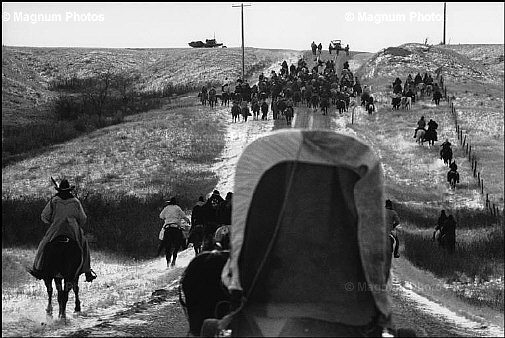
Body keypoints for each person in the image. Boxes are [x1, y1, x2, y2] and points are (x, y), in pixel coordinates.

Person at [29, 178, 96, 282]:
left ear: (59, 190)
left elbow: (44, 216)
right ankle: (87, 271)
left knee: (43, 244)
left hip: (56, 228)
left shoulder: (54, 201)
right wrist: (76, 224)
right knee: (84, 245)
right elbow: (83, 218)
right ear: (69, 190)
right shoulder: (75, 202)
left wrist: (53, 221)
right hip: (73, 229)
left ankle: (38, 268)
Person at [157, 197, 191, 265]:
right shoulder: (177, 208)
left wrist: (167, 218)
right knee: (182, 239)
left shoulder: (166, 208)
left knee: (164, 241)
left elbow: (161, 216)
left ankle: (165, 259)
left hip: (168, 227)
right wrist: (187, 220)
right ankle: (180, 252)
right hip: (176, 227)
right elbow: (183, 216)